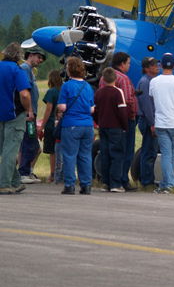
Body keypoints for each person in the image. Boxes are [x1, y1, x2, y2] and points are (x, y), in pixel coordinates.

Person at [149, 53, 174, 194]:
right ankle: (170, 183)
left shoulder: (154, 82)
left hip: (161, 122)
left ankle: (166, 183)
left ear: (160, 65)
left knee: (166, 153)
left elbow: (152, 99)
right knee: (172, 154)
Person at [98, 52, 137, 191]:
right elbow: (128, 101)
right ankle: (121, 180)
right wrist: (131, 118)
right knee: (124, 151)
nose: (129, 66)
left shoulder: (103, 78)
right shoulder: (124, 79)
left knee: (106, 152)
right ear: (122, 64)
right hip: (121, 121)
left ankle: (106, 181)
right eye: (128, 63)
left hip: (105, 120)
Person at [58, 57, 95, 195]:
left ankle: (69, 185)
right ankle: (86, 185)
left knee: (69, 155)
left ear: (69, 69)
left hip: (71, 124)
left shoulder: (66, 86)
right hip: (87, 125)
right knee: (85, 155)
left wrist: (59, 109)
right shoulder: (88, 86)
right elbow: (92, 109)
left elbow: (62, 106)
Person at [0, 43, 33, 195]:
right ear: (18, 56)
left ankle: (15, 181)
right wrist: (28, 109)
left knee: (4, 150)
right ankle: (4, 184)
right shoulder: (17, 70)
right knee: (10, 150)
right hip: (14, 114)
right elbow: (24, 94)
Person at [94, 67, 129, 193]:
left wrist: (99, 122)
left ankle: (105, 182)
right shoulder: (118, 92)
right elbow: (122, 112)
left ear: (103, 78)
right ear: (115, 78)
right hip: (116, 127)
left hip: (103, 126)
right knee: (117, 155)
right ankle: (116, 183)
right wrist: (125, 126)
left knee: (105, 154)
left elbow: (95, 111)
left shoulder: (99, 92)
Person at [18, 44, 47, 184]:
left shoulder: (30, 70)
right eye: (38, 57)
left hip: (31, 113)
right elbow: (25, 92)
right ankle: (23, 173)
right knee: (30, 143)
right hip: (28, 114)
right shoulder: (25, 69)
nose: (40, 60)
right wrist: (29, 111)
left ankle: (27, 171)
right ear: (30, 55)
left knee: (32, 143)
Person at [135, 56, 159, 191]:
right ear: (146, 68)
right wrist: (152, 123)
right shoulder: (146, 82)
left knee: (151, 150)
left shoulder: (151, 81)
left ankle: (147, 179)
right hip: (148, 120)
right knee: (149, 151)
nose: (157, 66)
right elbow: (147, 105)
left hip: (150, 119)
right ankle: (147, 181)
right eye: (153, 65)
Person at [38, 70, 62, 183]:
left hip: (51, 125)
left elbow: (48, 109)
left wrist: (42, 126)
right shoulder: (64, 90)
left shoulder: (51, 92)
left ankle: (53, 174)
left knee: (52, 151)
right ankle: (61, 173)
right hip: (63, 124)